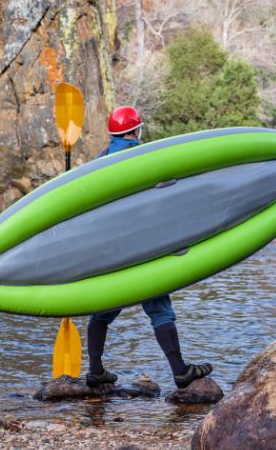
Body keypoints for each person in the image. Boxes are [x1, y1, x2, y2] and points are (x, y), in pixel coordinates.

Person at [85, 106, 213, 389]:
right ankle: (180, 370)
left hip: (109, 248)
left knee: (103, 308)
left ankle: (95, 371)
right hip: (141, 245)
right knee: (158, 305)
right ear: (136, 130)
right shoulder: (143, 157)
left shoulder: (98, 162)